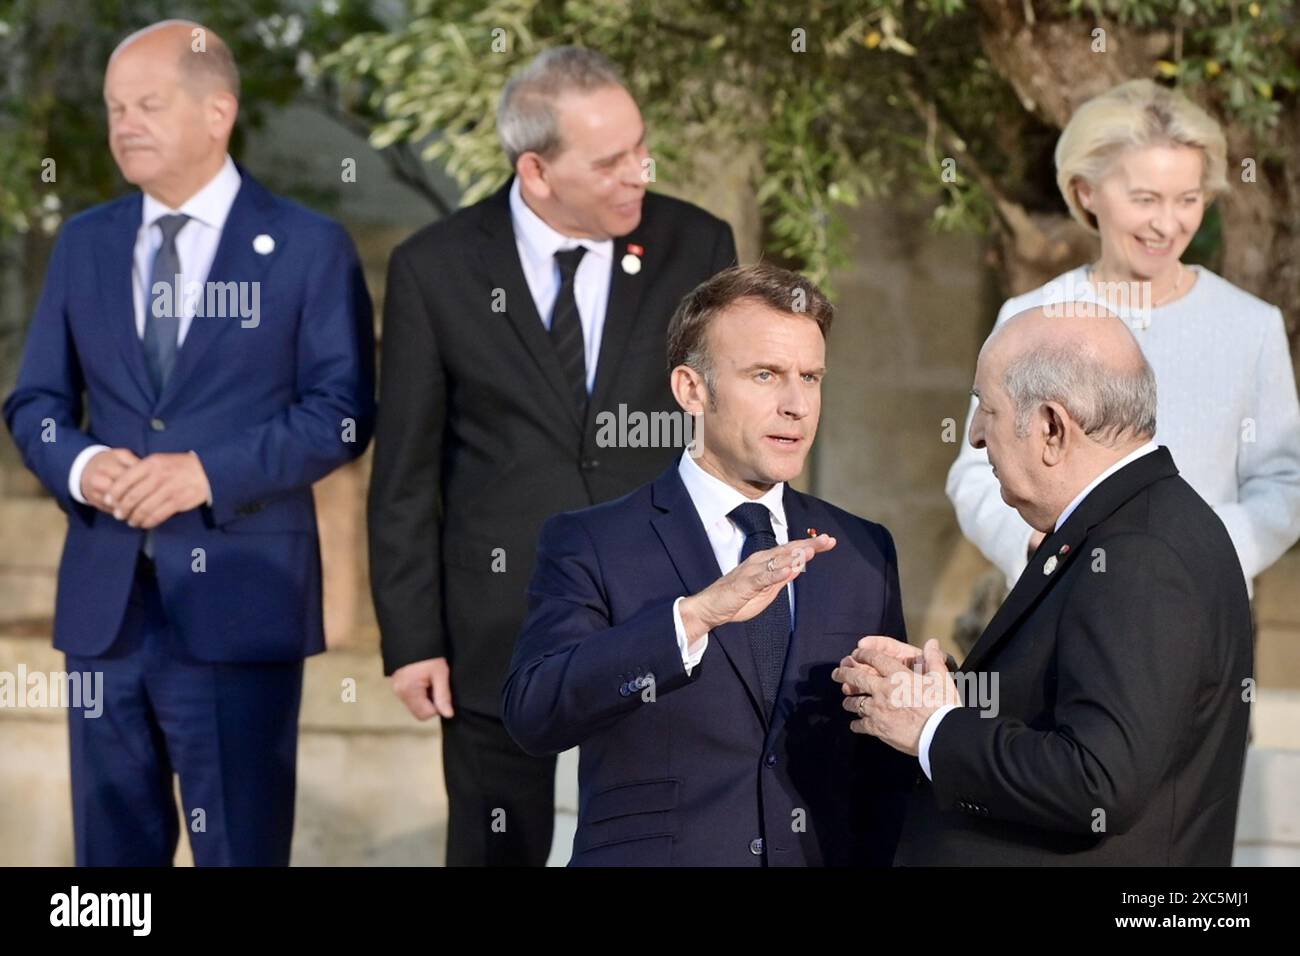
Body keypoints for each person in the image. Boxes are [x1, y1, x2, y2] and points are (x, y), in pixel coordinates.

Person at [2, 20, 375, 865]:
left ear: (218, 113)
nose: (123, 123)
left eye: (147, 104)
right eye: (113, 107)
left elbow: (342, 412)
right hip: (106, 611)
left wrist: (205, 473)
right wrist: (87, 466)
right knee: (110, 868)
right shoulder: (85, 243)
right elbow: (35, 402)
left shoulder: (308, 247)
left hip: (240, 605)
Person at [368, 46, 737, 866]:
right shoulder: (435, 268)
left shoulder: (696, 243)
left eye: (641, 148)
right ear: (535, 170)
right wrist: (412, 637)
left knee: (663, 846)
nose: (638, 172)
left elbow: (729, 428)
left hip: (664, 614)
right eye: (610, 162)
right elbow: (405, 473)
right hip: (496, 623)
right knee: (495, 849)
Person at [503, 263, 913, 866]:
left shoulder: (861, 549)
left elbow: (880, 775)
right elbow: (534, 713)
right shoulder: (591, 541)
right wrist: (690, 620)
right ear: (691, 390)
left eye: (811, 377)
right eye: (766, 375)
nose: (797, 405)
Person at [839, 306, 1252, 865]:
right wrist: (949, 699)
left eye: (987, 408)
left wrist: (932, 730)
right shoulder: (1129, 521)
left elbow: (1097, 779)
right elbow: (1064, 708)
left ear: (1052, 428)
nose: (977, 436)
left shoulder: (1139, 553)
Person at [948, 79, 1300, 592]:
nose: (1167, 223)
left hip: (1200, 604)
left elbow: (1282, 482)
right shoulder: (1030, 316)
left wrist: (1195, 552)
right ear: (1086, 191)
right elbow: (975, 474)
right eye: (1145, 198)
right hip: (1057, 599)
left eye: (1188, 199)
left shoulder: (1250, 324)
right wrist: (1040, 550)